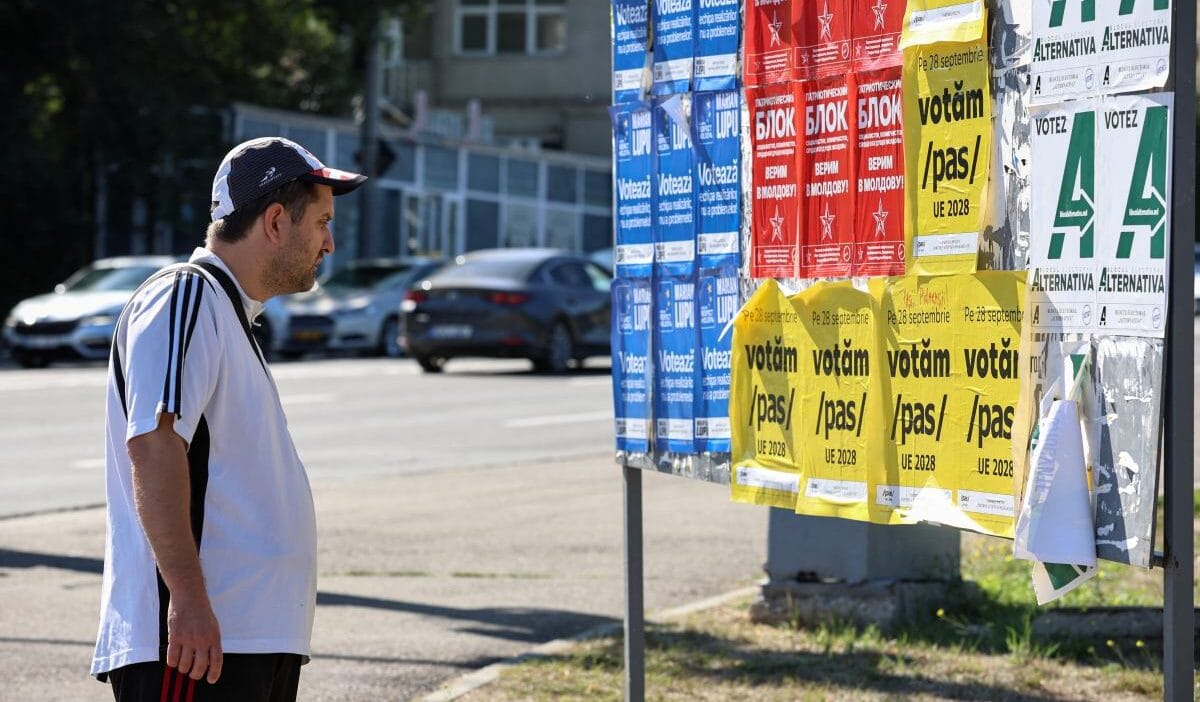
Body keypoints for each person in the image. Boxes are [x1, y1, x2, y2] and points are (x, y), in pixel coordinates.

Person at [91, 137, 366, 701]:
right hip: (197, 646)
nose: (330, 243)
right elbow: (154, 444)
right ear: (275, 222)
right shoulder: (186, 296)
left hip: (243, 640)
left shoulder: (228, 312)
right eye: (321, 223)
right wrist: (188, 601)